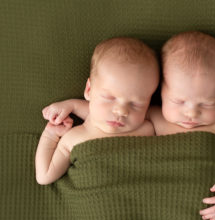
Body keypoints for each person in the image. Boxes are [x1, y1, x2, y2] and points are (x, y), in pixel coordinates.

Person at [42, 31, 215, 220]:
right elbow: (108, 116)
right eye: (179, 101)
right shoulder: (152, 116)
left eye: (207, 104)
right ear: (161, 94)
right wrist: (69, 107)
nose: (192, 114)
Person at [35, 37, 159, 185]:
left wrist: (73, 105)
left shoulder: (149, 126)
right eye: (109, 98)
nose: (121, 111)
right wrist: (50, 135)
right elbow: (44, 176)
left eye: (135, 104)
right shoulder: (74, 138)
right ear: (89, 90)